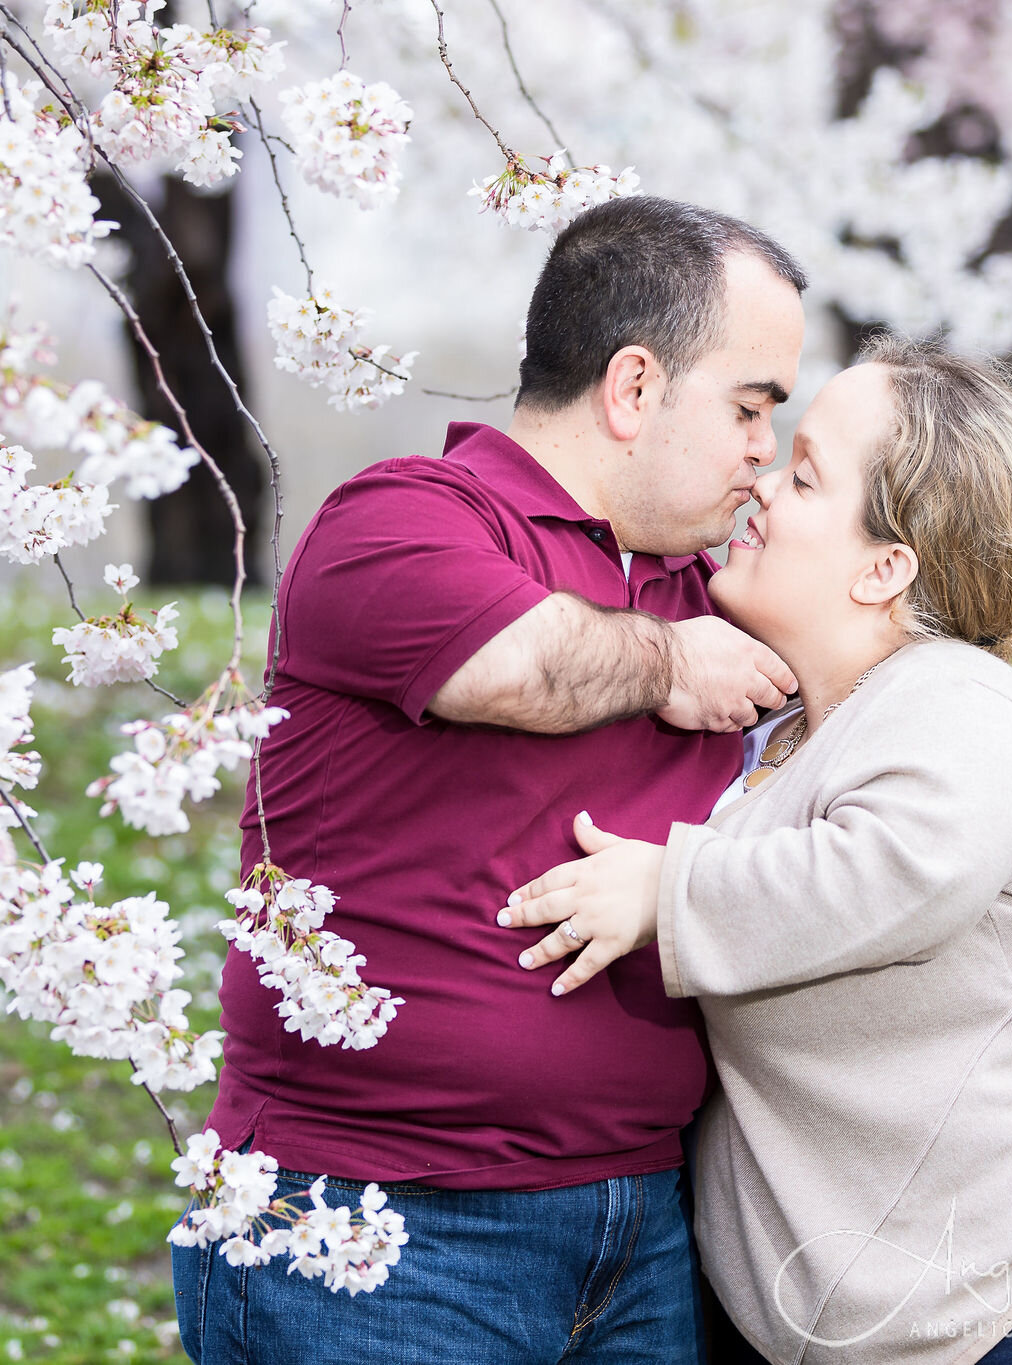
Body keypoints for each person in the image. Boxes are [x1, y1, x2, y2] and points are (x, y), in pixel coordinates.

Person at [170, 197, 809, 1363]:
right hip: (377, 1233)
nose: (764, 448)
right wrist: (668, 662)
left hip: (646, 1227)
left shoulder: (708, 585)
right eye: (750, 407)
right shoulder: (401, 519)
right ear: (631, 387)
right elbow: (512, 667)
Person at [502, 337, 1012, 1364]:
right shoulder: (786, 734)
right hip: (873, 1288)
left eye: (800, 478)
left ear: (884, 566)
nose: (757, 488)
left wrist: (669, 888)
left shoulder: (963, 705)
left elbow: (893, 874)